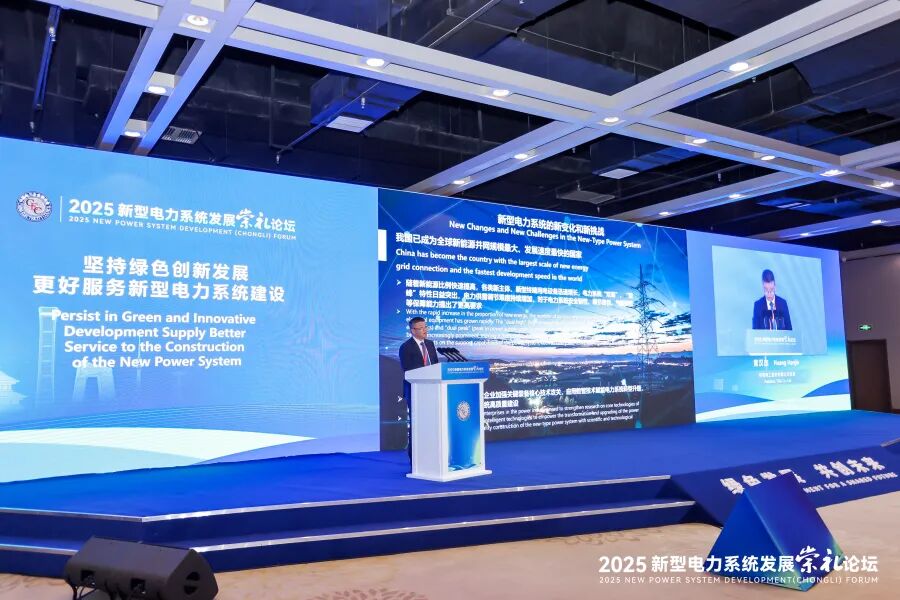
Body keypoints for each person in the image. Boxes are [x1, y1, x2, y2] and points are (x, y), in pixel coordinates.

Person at [399, 317, 440, 460]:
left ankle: (432, 455)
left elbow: (436, 366)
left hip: (434, 390)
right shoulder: (406, 347)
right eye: (421, 328)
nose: (425, 330)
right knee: (418, 425)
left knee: (433, 423)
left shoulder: (430, 344)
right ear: (413, 331)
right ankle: (415, 459)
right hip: (415, 391)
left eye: (425, 327)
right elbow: (408, 370)